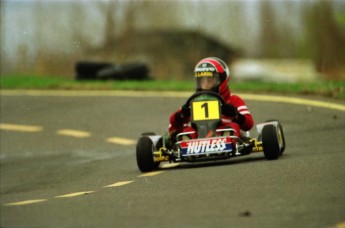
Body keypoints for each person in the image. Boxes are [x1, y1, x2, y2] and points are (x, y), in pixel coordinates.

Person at [168, 57, 254, 144]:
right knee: (188, 130)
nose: (205, 85)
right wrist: (182, 114)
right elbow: (172, 124)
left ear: (222, 80)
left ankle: (227, 138)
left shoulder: (233, 100)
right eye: (202, 82)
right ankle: (186, 142)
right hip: (197, 137)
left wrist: (235, 114)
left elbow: (249, 124)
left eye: (209, 81)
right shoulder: (193, 102)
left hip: (220, 134)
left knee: (232, 126)